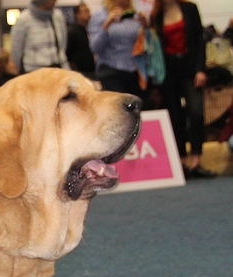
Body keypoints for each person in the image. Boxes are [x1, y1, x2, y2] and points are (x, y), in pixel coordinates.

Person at [151, 0, 215, 178]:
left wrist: (200, 69)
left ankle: (196, 159)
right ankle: (181, 160)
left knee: (196, 112)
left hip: (190, 68)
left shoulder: (190, 9)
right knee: (174, 116)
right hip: (168, 72)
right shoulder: (156, 15)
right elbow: (155, 47)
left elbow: (199, 40)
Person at [88, 0, 149, 97]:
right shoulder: (100, 16)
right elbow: (94, 47)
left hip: (135, 72)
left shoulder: (135, 15)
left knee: (135, 109)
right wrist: (107, 25)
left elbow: (146, 46)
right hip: (111, 72)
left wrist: (146, 27)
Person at [9, 0, 70, 73]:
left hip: (59, 68)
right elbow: (16, 52)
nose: (56, 1)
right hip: (34, 71)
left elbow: (63, 44)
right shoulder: (23, 20)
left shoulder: (58, 16)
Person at [66, 2, 96, 78]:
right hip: (79, 73)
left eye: (88, 11)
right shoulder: (72, 32)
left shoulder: (90, 30)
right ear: (77, 15)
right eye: (85, 11)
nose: (88, 14)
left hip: (92, 72)